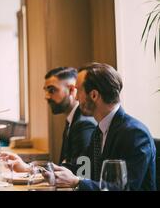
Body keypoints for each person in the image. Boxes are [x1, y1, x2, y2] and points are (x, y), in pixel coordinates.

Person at [53, 63, 156, 191]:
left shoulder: (135, 134)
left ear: (94, 95)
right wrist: (47, 170)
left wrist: (77, 182)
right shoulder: (100, 130)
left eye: (79, 90)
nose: (76, 97)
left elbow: (125, 188)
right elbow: (85, 168)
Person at [44, 67, 96, 166]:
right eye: (46, 90)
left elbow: (81, 172)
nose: (46, 96)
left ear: (72, 90)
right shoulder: (72, 119)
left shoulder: (84, 124)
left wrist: (32, 170)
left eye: (52, 90)